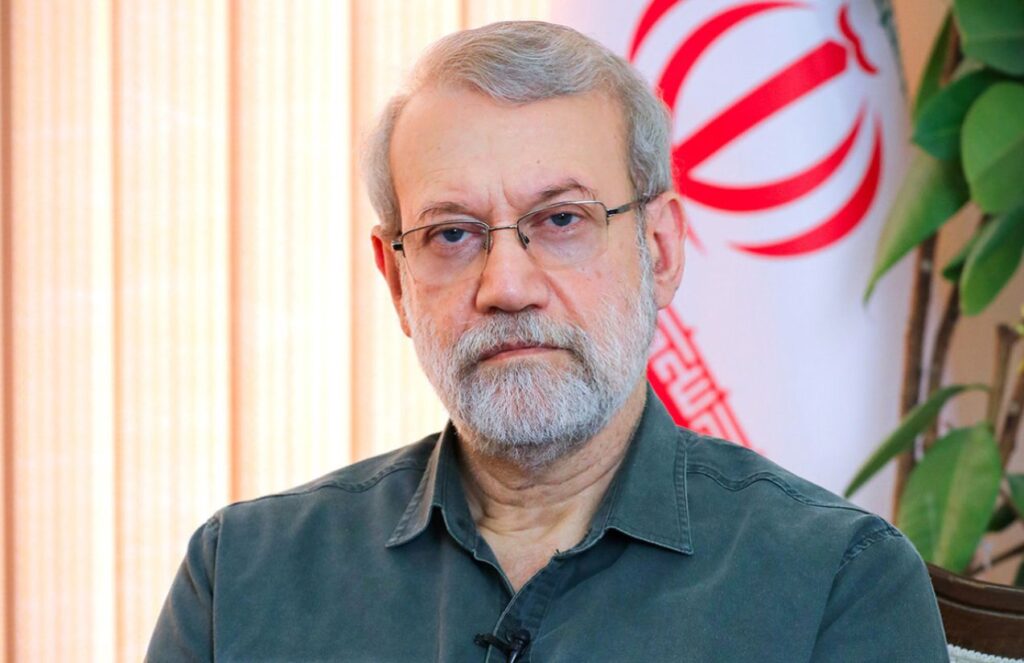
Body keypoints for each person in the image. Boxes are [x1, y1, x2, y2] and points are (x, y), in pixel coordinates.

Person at [147, 20, 948, 662]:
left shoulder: (836, 582)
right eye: (452, 233)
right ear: (396, 281)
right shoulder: (240, 579)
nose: (506, 284)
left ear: (661, 250)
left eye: (562, 219)